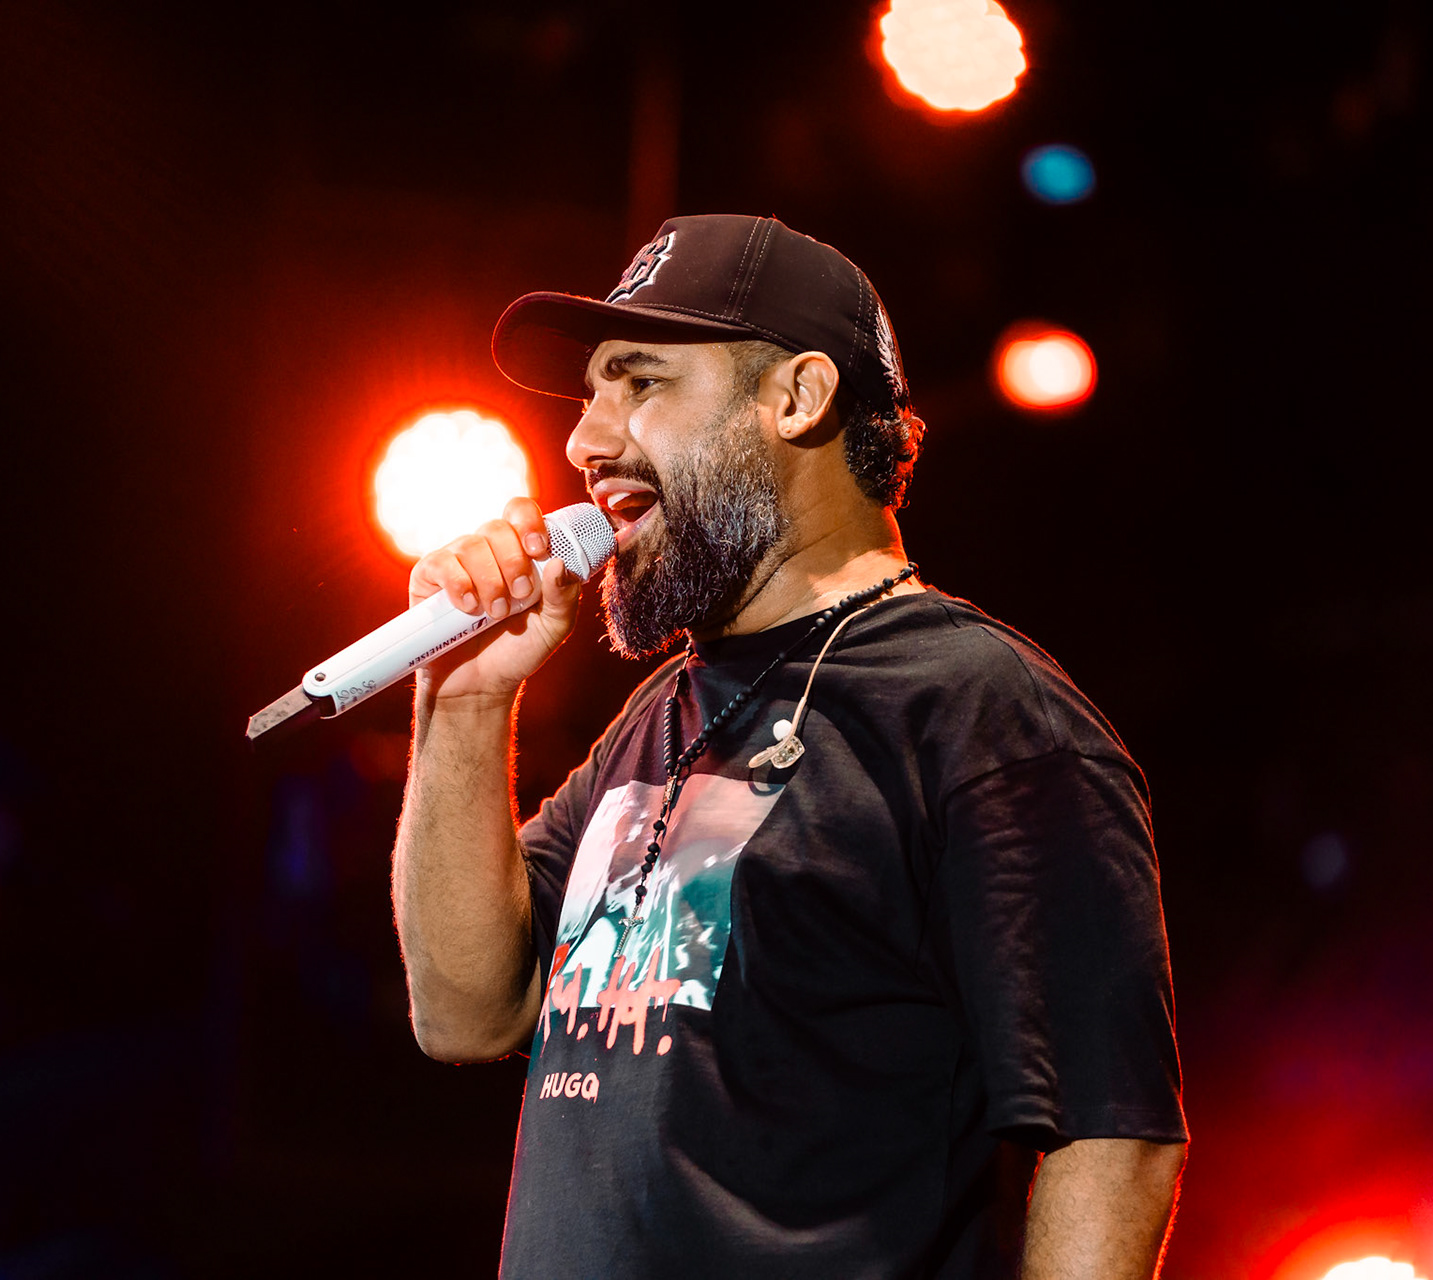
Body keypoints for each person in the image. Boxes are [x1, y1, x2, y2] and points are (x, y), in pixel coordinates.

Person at [390, 214, 1187, 1279]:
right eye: (588, 395)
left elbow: (1114, 1135)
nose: (586, 441)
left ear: (799, 397)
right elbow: (463, 1012)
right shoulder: (658, 718)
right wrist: (463, 704)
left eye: (639, 383)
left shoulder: (982, 714)